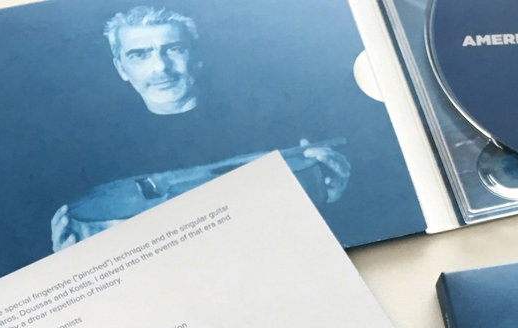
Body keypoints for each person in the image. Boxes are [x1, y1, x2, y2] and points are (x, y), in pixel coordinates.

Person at [50, 6, 351, 252]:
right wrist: (70, 261)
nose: (161, 67)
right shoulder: (99, 158)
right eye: (139, 54)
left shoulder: (270, 125)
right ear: (121, 68)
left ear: (197, 57)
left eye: (174, 49)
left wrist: (327, 195)